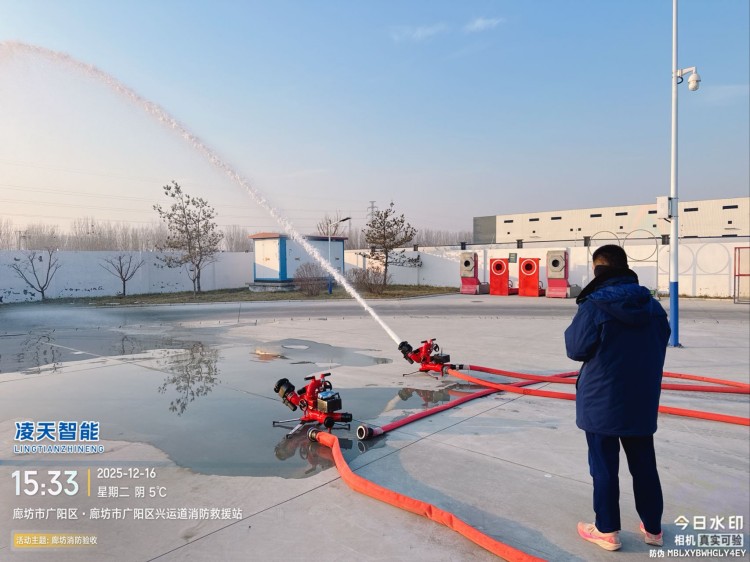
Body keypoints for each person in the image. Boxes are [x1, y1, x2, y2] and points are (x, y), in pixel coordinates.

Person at [565, 244, 670, 551]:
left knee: (604, 467)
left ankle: (607, 530)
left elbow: (575, 349)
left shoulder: (594, 305)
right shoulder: (653, 306)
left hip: (602, 400)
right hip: (641, 399)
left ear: (599, 269)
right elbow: (660, 340)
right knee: (644, 465)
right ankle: (653, 529)